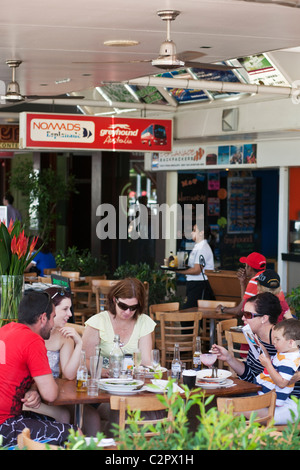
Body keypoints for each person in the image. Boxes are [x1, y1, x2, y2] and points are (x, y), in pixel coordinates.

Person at [0, 290, 77, 447]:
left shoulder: (5, 330)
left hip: (8, 417)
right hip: (4, 424)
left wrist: (33, 388)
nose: (52, 323)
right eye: (52, 317)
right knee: (75, 434)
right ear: (43, 318)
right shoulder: (33, 340)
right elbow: (50, 395)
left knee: (56, 421)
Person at [212, 292, 300, 425]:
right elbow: (251, 376)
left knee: (224, 407)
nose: (243, 318)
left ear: (264, 318)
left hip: (286, 403)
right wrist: (229, 358)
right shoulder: (254, 338)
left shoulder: (285, 340)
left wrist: (292, 377)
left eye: (248, 315)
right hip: (261, 394)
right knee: (218, 402)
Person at [82, 278, 155, 373]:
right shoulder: (98, 322)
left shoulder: (143, 321)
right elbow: (83, 360)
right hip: (104, 381)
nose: (128, 312)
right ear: (114, 300)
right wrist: (103, 371)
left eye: (133, 307)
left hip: (132, 381)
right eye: (123, 306)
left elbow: (145, 362)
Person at [253, 319, 300, 421]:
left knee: (238, 407)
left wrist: (268, 365)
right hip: (265, 392)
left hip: (270, 398)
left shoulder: (289, 361)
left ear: (291, 342)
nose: (274, 342)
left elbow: (282, 383)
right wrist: (261, 347)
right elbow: (273, 364)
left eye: (277, 339)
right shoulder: (285, 351)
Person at [217, 251, 266, 316]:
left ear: (250, 268)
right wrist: (243, 283)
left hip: (262, 322)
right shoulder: (266, 277)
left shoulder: (255, 282)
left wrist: (222, 309)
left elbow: (240, 311)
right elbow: (245, 304)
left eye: (246, 266)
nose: (245, 268)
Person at [178, 224, 215, 309]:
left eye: (194, 230)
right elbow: (193, 266)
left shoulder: (202, 248)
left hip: (199, 284)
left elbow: (197, 270)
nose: (191, 233)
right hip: (194, 283)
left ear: (201, 233)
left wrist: (178, 271)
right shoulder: (198, 246)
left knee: (188, 313)